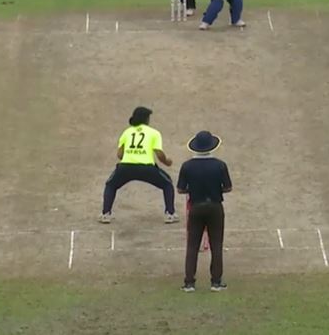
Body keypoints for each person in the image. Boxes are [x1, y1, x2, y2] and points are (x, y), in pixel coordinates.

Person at [99, 107, 179, 224]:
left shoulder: (127, 132)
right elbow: (159, 154)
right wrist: (167, 162)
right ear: (146, 119)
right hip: (146, 168)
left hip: (126, 167)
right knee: (167, 184)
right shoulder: (154, 133)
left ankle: (105, 214)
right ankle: (170, 214)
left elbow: (120, 154)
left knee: (111, 185)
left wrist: (130, 156)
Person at [177, 130, 232, 292]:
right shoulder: (220, 165)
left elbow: (180, 189)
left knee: (192, 246)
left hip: (196, 207)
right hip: (215, 207)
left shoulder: (187, 166)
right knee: (216, 245)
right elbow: (228, 187)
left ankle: (189, 283)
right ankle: (216, 282)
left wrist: (193, 190)